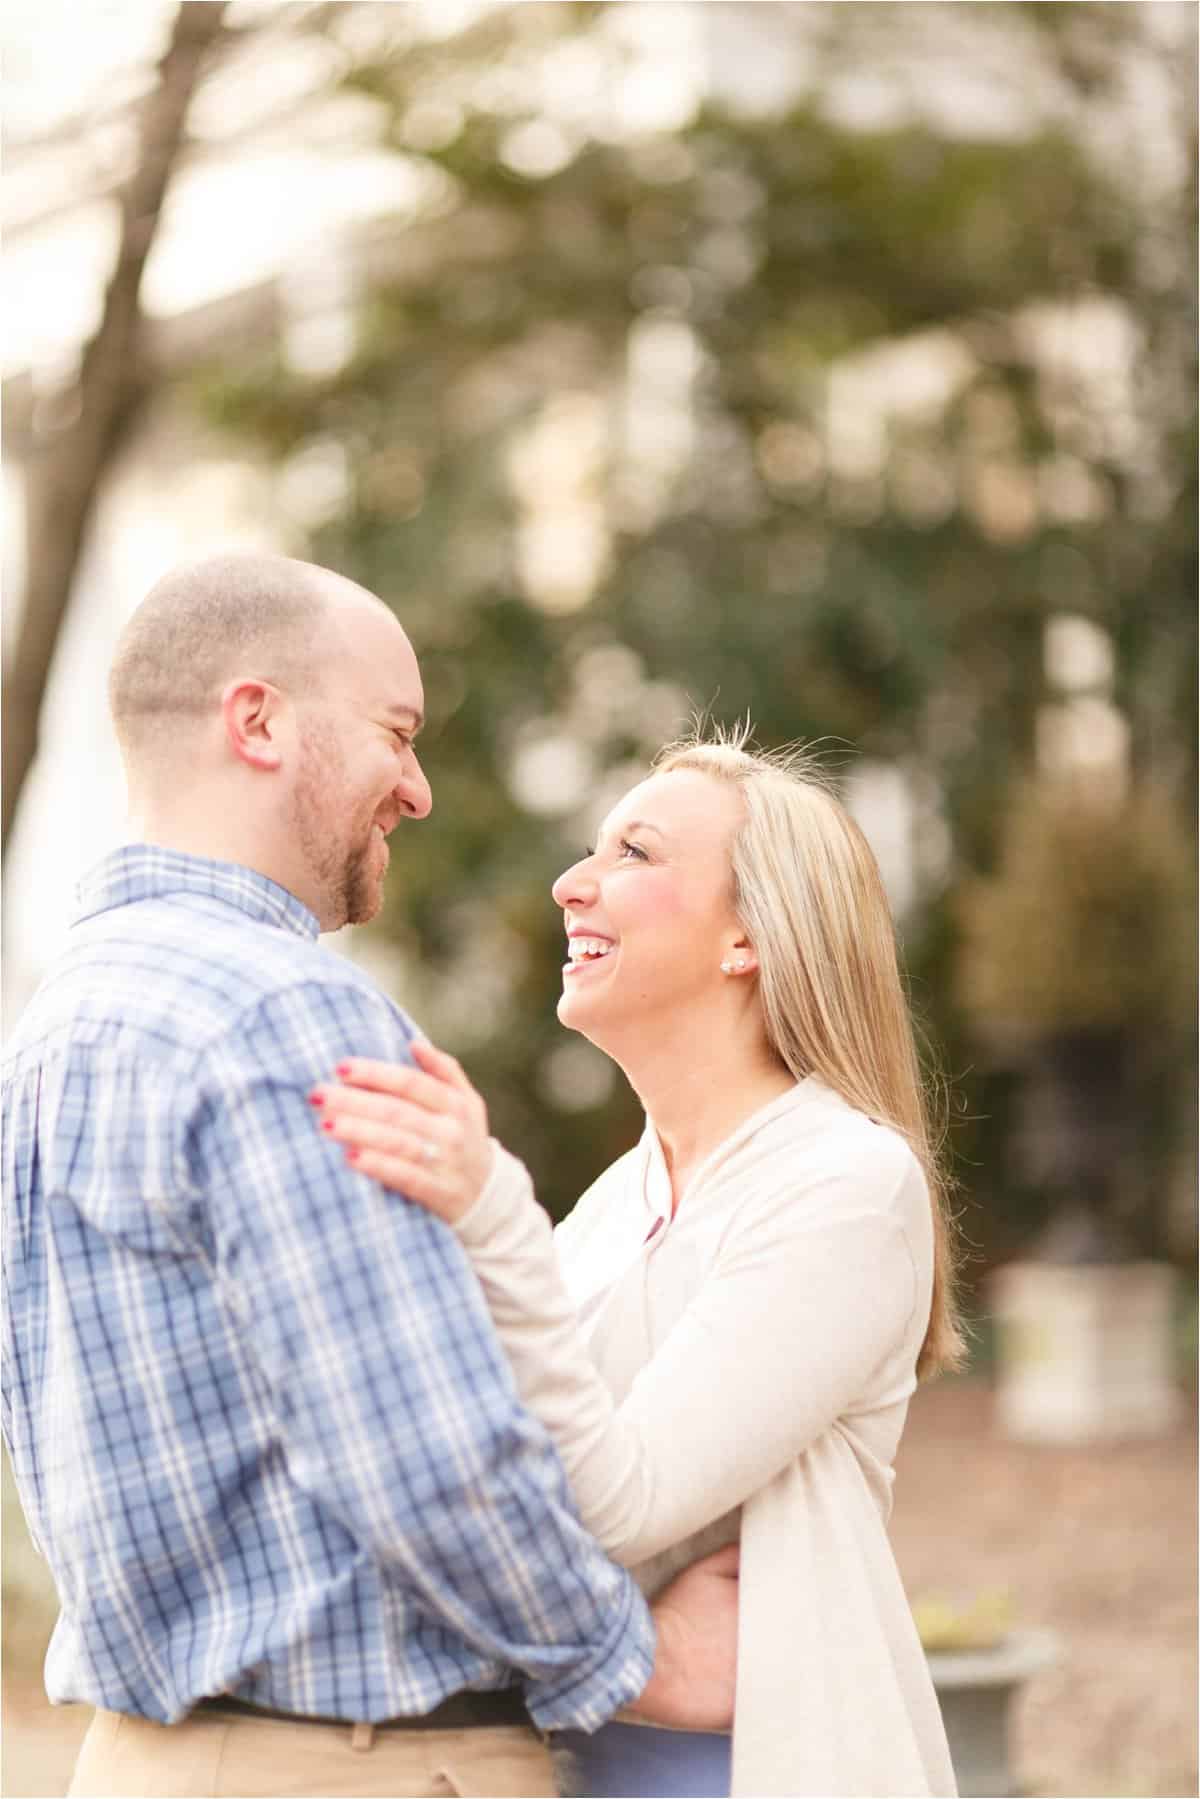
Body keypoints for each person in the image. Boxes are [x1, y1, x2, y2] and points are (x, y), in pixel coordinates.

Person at [0, 554, 740, 1799]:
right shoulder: (286, 1015)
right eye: (396, 732)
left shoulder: (53, 1024)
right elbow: (423, 1452)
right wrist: (633, 1659)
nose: (419, 788)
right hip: (363, 1767)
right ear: (259, 720)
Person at [312, 730, 965, 1798]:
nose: (573, 883)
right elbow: (486, 1488)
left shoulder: (846, 1182)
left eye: (635, 852)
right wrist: (648, 1664)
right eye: (591, 852)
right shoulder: (618, 1201)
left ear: (749, 934)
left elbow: (623, 1496)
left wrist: (487, 1211)